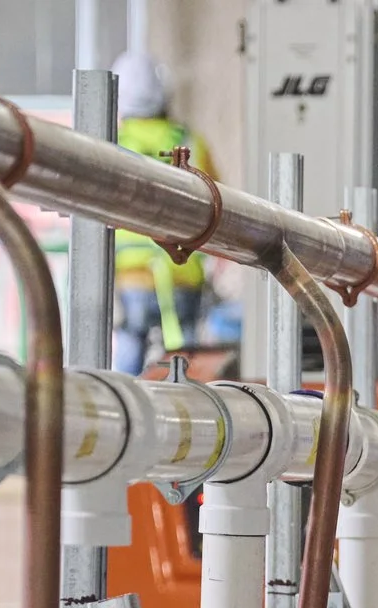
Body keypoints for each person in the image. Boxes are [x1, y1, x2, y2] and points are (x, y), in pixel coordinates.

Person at [110, 52, 216, 375]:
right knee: (182, 369)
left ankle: (121, 419)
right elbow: (220, 204)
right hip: (181, 273)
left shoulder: (112, 144)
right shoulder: (188, 142)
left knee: (128, 361)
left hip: (131, 278)